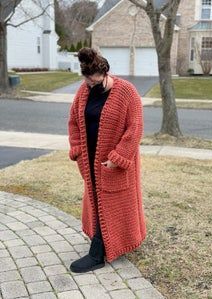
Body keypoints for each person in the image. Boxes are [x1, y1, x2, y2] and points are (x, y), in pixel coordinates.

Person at [68, 47, 147, 273]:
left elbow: (135, 128)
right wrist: (77, 150)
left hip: (113, 164)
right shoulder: (83, 91)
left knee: (114, 204)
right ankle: (100, 240)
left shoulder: (127, 92)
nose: (91, 88)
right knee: (95, 200)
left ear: (105, 74)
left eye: (96, 83)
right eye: (88, 83)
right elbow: (74, 121)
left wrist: (118, 157)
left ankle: (98, 253)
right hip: (90, 160)